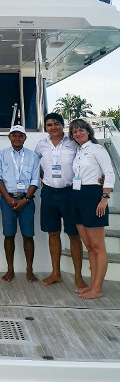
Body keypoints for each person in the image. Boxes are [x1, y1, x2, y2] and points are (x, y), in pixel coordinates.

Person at [35, 112, 86, 288]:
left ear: (62, 125)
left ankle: (78, 276)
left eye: (56, 124)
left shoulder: (74, 143)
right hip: (48, 193)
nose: (53, 127)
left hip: (70, 193)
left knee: (74, 234)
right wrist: (44, 179)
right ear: (46, 127)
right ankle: (56, 273)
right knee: (53, 233)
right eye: (49, 125)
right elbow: (37, 165)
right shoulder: (41, 145)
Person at [68, 118, 114, 299]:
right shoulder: (78, 151)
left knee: (97, 246)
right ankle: (93, 284)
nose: (78, 133)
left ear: (88, 131)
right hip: (77, 195)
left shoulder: (97, 149)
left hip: (93, 196)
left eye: (81, 130)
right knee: (89, 246)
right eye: (74, 131)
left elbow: (109, 173)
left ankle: (97, 288)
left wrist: (104, 199)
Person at [0, 124, 40, 283]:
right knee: (9, 235)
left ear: (25, 138)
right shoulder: (1, 155)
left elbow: (35, 180)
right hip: (8, 200)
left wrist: (26, 199)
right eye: (14, 135)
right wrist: (7, 198)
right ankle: (10, 270)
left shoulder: (33, 156)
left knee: (28, 235)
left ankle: (29, 270)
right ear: (9, 137)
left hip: (27, 200)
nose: (17, 138)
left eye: (20, 135)